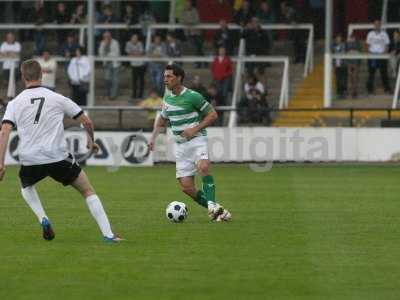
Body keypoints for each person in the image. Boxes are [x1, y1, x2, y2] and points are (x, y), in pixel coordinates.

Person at [0, 59, 123, 242]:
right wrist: (91, 141)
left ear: (22, 76)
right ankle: (108, 235)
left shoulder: (15, 103)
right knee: (87, 191)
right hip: (58, 157)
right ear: (42, 74)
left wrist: (1, 163)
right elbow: (86, 121)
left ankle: (43, 218)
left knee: (26, 187)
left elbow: (5, 131)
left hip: (30, 159)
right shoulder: (57, 98)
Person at [149, 64, 231, 222]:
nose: (165, 79)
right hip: (180, 146)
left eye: (169, 76)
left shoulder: (193, 96)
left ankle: (213, 207)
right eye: (164, 76)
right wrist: (152, 138)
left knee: (204, 167)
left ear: (179, 78)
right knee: (187, 187)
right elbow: (161, 121)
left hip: (197, 140)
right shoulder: (167, 98)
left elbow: (213, 115)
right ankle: (217, 210)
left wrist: (195, 129)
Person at [366, 20, 391, 94]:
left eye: (378, 24)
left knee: (384, 73)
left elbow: (387, 45)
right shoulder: (370, 34)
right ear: (374, 25)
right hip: (372, 56)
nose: (377, 26)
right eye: (375, 24)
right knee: (371, 74)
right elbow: (367, 45)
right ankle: (370, 90)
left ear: (380, 25)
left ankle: (387, 89)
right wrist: (369, 54)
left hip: (382, 56)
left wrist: (384, 54)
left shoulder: (384, 34)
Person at [98, 31, 120, 100]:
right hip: (107, 63)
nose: (106, 38)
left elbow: (116, 53)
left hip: (115, 63)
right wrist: (105, 46)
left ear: (110, 36)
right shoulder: (102, 43)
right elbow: (100, 53)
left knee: (115, 80)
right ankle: (108, 93)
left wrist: (106, 55)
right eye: (105, 37)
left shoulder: (115, 42)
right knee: (107, 79)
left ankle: (113, 96)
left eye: (107, 36)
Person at [125, 33, 146, 99]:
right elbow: (128, 53)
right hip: (133, 65)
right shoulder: (128, 43)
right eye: (133, 38)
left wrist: (133, 54)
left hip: (141, 64)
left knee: (141, 80)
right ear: (131, 39)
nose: (134, 39)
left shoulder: (140, 43)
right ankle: (134, 94)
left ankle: (140, 94)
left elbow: (141, 53)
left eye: (136, 38)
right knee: (134, 81)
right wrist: (136, 54)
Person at [332, 34, 347, 99]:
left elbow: (344, 53)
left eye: (340, 38)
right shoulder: (333, 47)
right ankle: (339, 93)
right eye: (337, 38)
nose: (338, 40)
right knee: (338, 79)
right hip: (337, 65)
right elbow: (332, 57)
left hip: (343, 64)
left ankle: (343, 92)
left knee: (343, 79)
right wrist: (333, 65)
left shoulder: (344, 45)